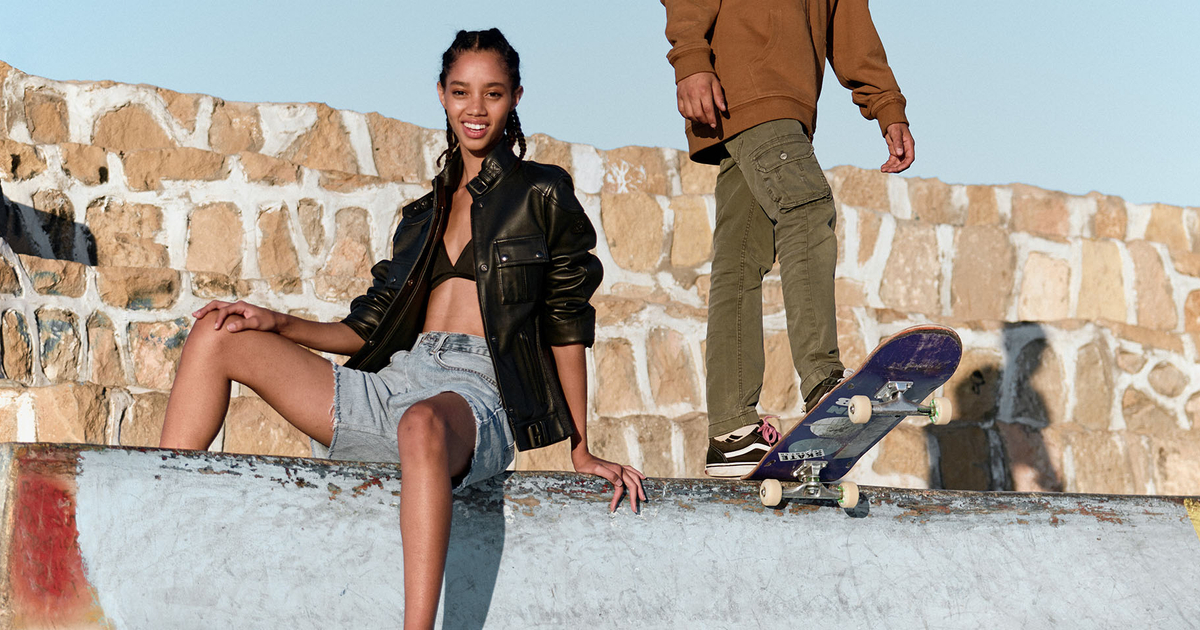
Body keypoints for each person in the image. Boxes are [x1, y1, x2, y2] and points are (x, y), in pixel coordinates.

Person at [159, 28, 646, 629]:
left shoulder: (541, 191)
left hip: (477, 396)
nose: (475, 108)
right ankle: (154, 530)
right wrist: (277, 322)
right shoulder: (422, 215)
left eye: (492, 93)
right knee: (217, 333)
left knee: (422, 424)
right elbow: (368, 328)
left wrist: (580, 449)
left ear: (516, 97)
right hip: (398, 380)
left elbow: (566, 322)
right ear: (442, 95)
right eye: (461, 92)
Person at [662, 0, 916, 477]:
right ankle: (823, 380)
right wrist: (691, 60)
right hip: (745, 84)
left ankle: (732, 432)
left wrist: (887, 104)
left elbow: (849, 22)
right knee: (806, 206)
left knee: (740, 258)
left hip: (778, 101)